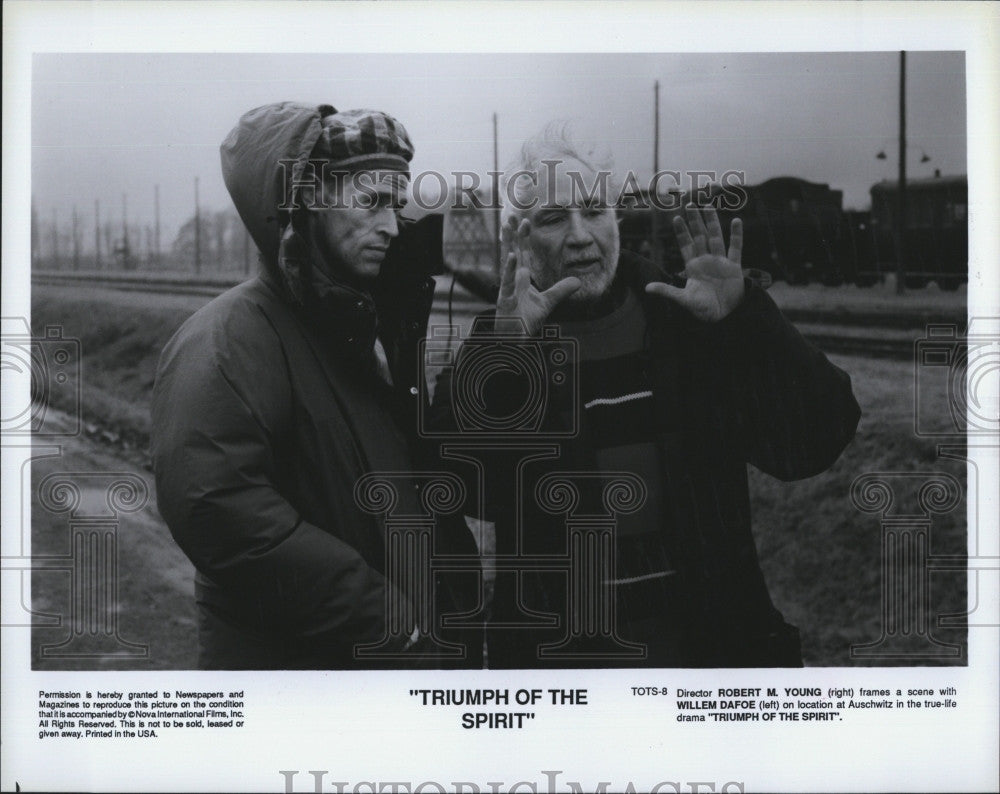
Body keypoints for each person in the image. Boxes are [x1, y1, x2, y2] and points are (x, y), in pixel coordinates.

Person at [429, 123, 861, 668]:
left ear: (617, 219)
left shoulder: (687, 324)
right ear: (520, 236)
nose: (581, 234)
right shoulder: (512, 342)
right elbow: (458, 484)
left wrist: (748, 320)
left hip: (709, 671)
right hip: (571, 685)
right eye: (555, 218)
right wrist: (503, 355)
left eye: (593, 210)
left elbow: (817, 439)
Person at [151, 102, 480, 669]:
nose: (390, 225)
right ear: (307, 200)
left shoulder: (362, 326)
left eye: (396, 204)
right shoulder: (228, 338)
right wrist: (391, 620)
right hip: (297, 685)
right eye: (371, 201)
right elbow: (219, 512)